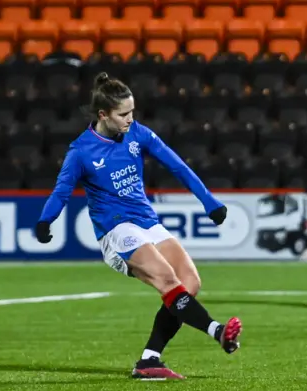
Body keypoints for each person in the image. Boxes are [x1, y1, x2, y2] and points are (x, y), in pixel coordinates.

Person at [34, 72, 242, 380]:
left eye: (132, 112)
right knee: (169, 281)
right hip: (117, 231)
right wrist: (45, 220)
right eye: (123, 115)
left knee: (190, 282)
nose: (130, 119)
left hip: (147, 222)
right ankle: (218, 331)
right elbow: (62, 190)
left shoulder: (138, 134)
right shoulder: (81, 151)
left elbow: (177, 165)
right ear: (103, 114)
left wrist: (209, 202)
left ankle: (149, 360)